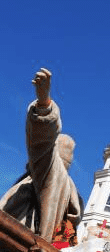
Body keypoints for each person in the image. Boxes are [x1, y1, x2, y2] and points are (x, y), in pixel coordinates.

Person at [1, 68, 82, 242]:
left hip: (14, 246)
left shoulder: (50, 174)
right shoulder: (63, 186)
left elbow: (43, 145)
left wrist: (44, 105)